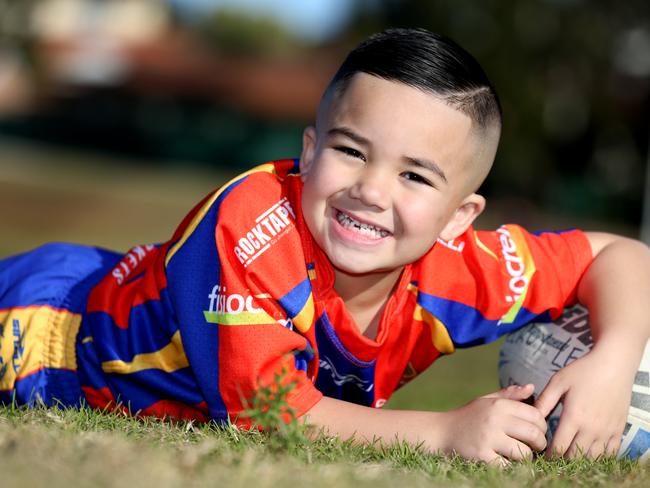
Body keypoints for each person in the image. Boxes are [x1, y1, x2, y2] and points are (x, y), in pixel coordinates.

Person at [1, 28, 649, 465]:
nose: (370, 189)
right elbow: (270, 414)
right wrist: (445, 431)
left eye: (414, 176)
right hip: (50, 330)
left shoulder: (461, 269)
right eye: (350, 150)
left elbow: (620, 255)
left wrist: (613, 363)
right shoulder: (249, 224)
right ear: (309, 152)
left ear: (460, 217)